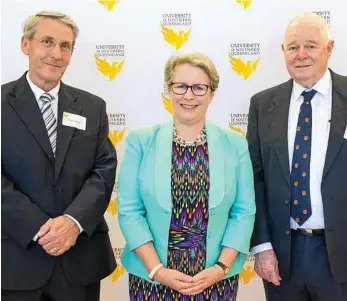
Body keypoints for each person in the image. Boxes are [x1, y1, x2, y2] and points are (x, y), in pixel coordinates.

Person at [117, 52, 255, 300]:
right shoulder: (141, 141)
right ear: (168, 90)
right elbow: (129, 211)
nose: (188, 95)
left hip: (215, 279)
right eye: (180, 86)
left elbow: (243, 212)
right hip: (153, 279)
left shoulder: (235, 143)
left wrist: (220, 268)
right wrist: (157, 270)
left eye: (199, 88)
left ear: (211, 94)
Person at [1, 11, 117, 301]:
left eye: (65, 46)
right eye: (47, 42)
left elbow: (104, 169)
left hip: (80, 261)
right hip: (18, 258)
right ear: (25, 44)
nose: (56, 53)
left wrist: (72, 222)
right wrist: (40, 228)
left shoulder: (92, 107)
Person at [247, 12, 347, 301]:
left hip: (341, 253)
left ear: (329, 48)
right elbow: (255, 179)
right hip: (282, 256)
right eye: (293, 47)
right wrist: (262, 246)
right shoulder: (262, 104)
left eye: (310, 46)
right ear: (283, 52)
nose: (301, 55)